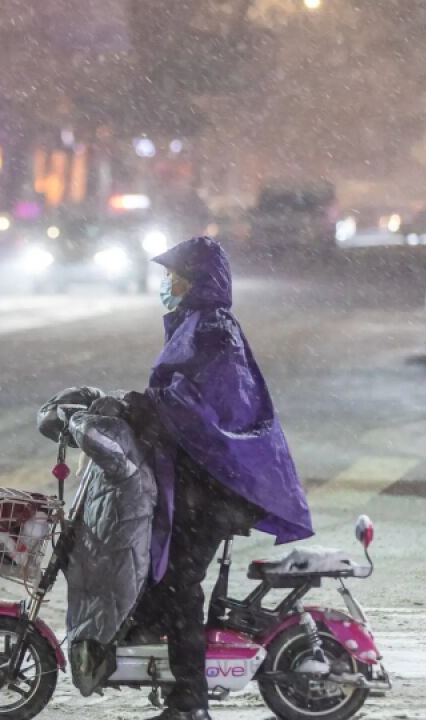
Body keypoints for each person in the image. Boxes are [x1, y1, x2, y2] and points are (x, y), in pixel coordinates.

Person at [123, 236, 314, 720]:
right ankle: (157, 672)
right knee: (156, 569)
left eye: (173, 278)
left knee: (179, 583)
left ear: (194, 282)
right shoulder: (195, 326)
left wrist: (146, 407)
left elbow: (208, 409)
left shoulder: (212, 329)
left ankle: (190, 703)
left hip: (219, 489)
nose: (166, 287)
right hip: (204, 484)